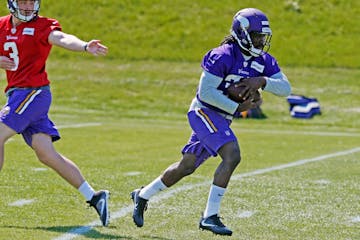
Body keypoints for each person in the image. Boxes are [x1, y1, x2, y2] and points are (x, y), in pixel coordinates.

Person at [131, 7, 291, 236]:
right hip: (203, 112)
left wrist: (263, 81)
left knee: (186, 166)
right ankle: (210, 216)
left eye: (262, 37)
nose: (261, 41)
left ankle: (142, 195)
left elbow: (285, 88)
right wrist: (237, 107)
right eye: (256, 36)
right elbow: (205, 93)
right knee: (232, 154)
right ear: (243, 34)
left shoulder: (262, 61)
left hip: (221, 118)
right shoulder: (223, 55)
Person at [0, 0, 110, 226]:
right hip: (18, 95)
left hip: (34, 93)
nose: (29, 6)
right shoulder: (1, 25)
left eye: (32, 1)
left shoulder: (42, 26)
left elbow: (61, 38)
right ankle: (94, 196)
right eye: (23, 1)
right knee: (45, 152)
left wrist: (84, 46)